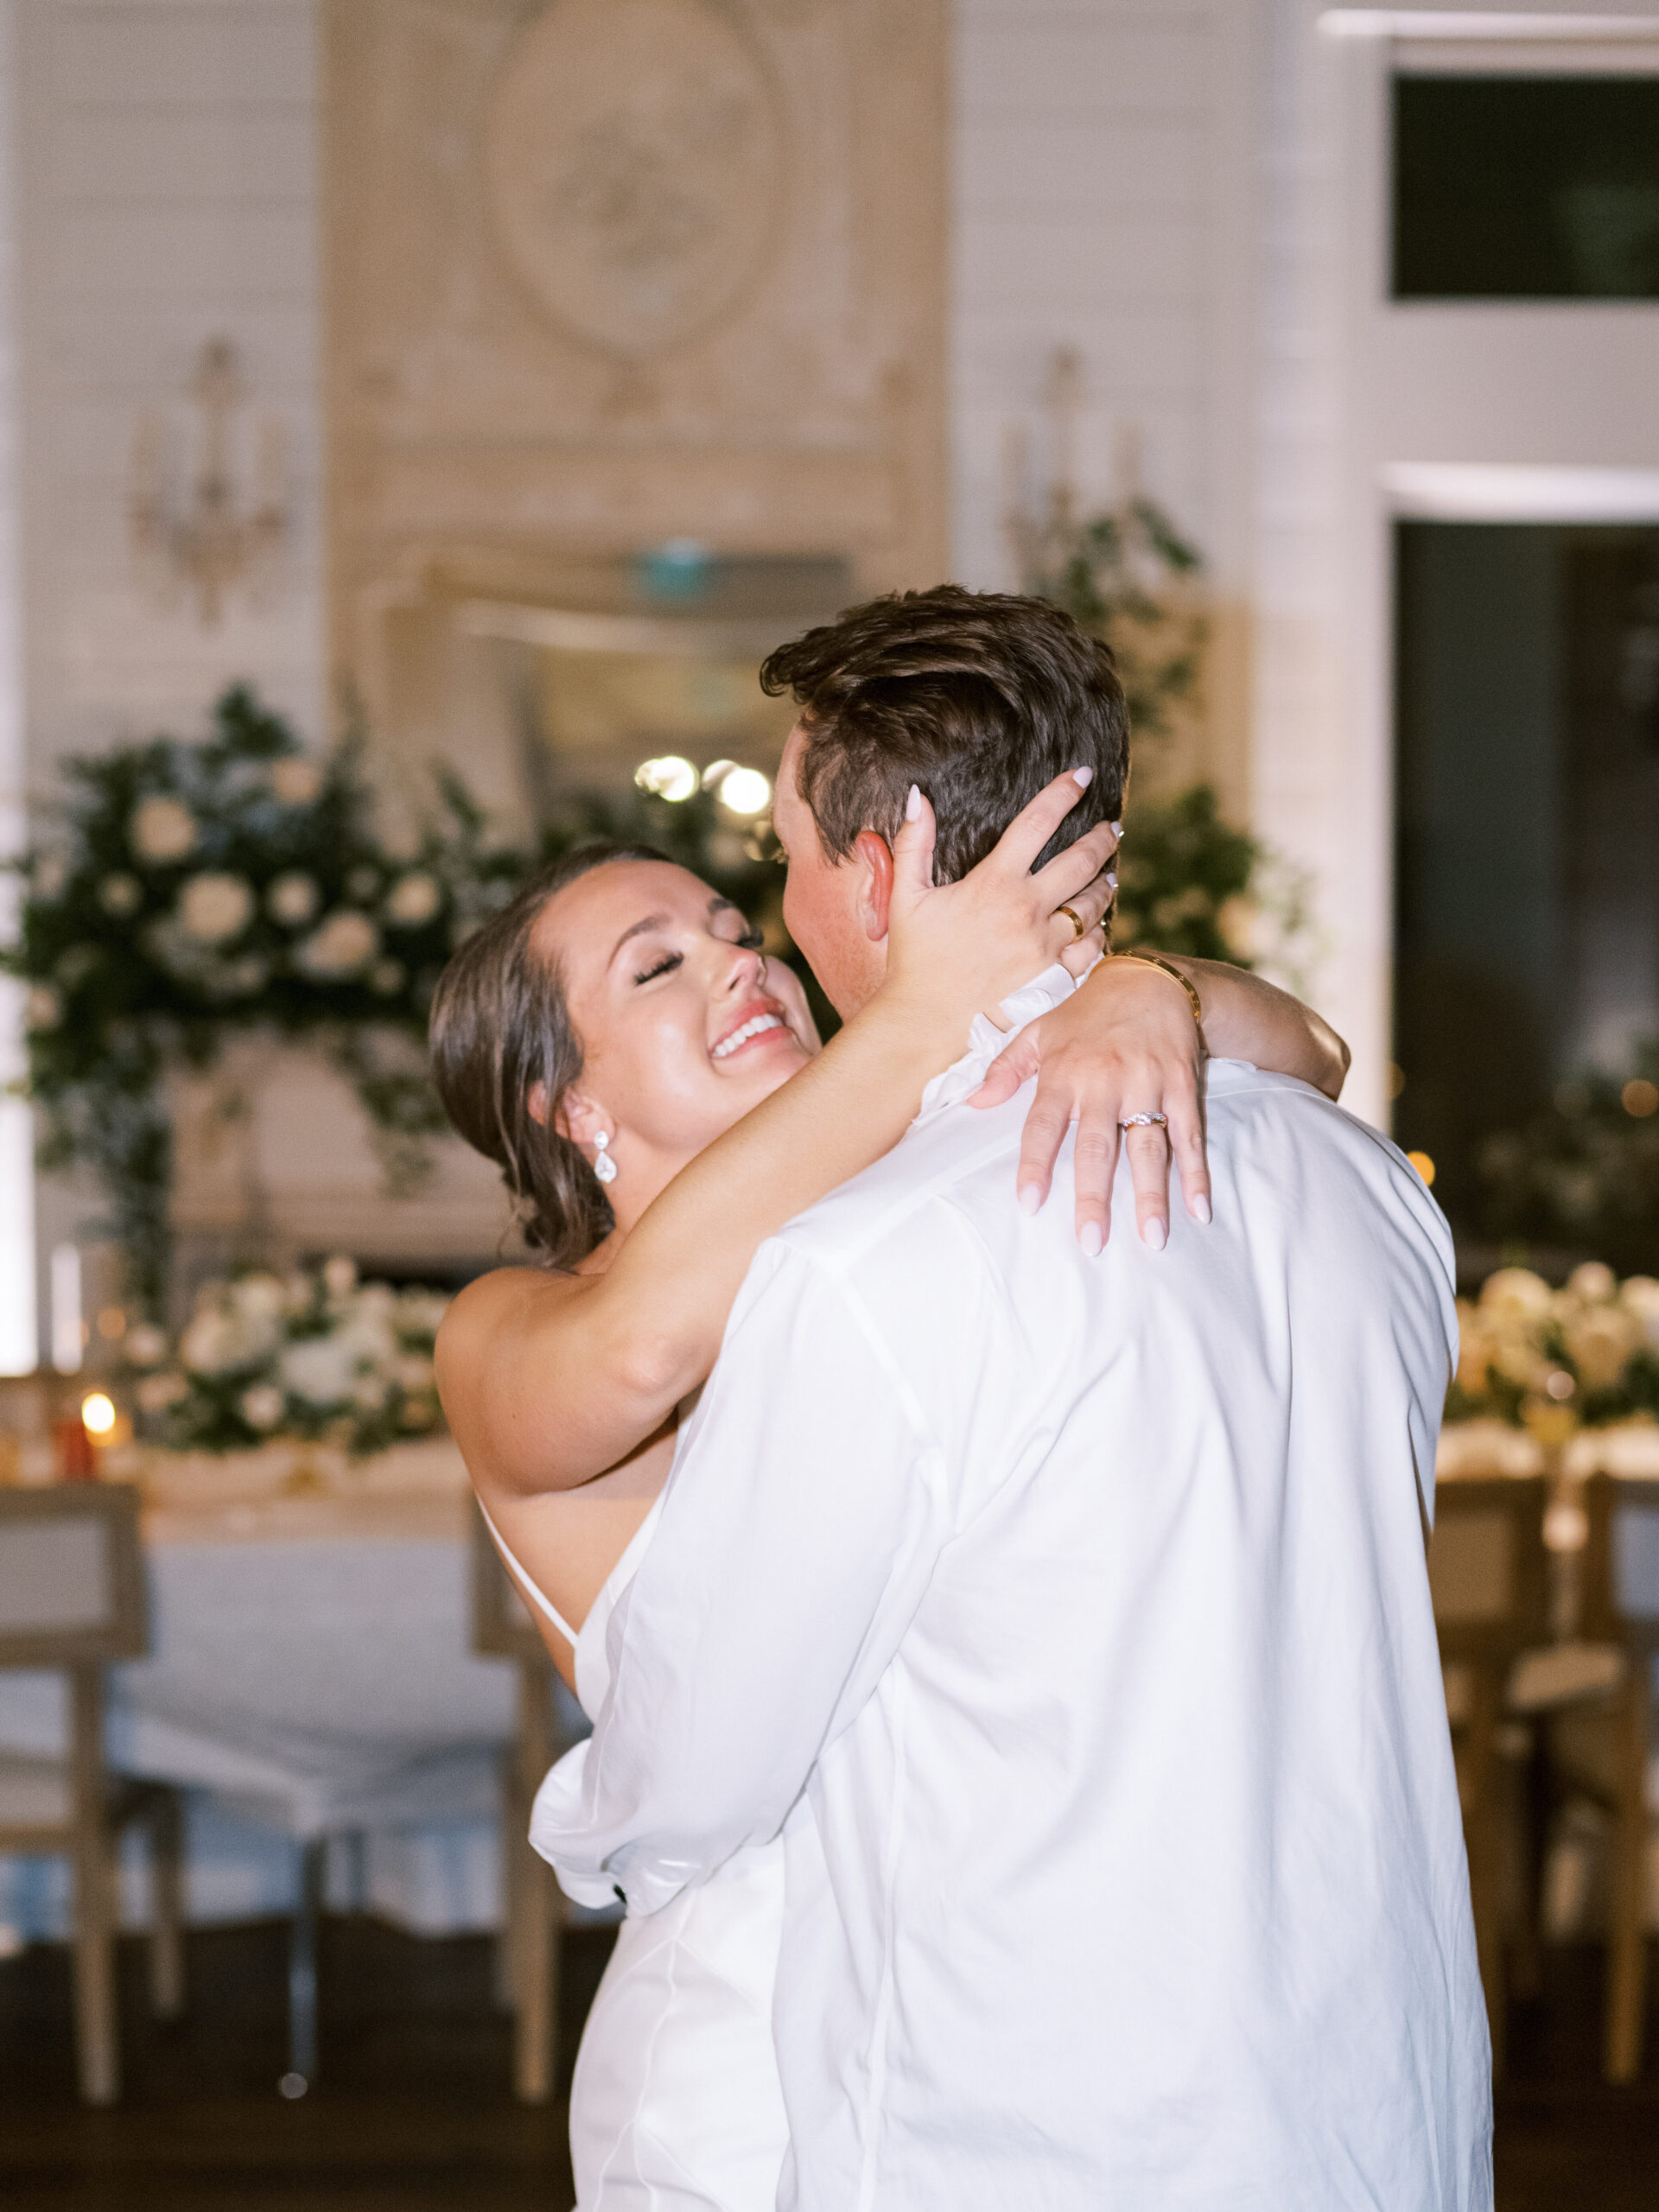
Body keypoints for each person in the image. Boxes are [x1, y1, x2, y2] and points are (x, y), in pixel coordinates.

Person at [530, 588, 1492, 2211]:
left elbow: (701, 1759)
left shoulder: (865, 1261)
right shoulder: (1367, 1192)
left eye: (784, 851)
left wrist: (589, 1832)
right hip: (1377, 2101)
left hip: (1038, 2120)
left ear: (883, 864)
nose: (778, 901)